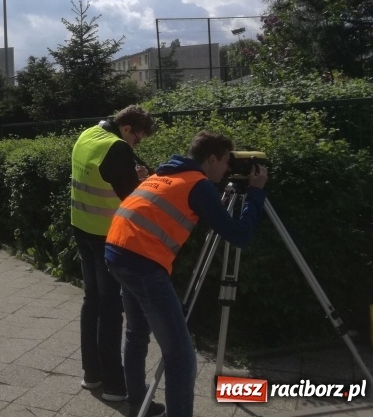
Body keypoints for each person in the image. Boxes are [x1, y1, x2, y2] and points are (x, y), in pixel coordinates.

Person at [105, 131, 268, 417]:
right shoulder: (198, 184)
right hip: (142, 263)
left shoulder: (166, 173)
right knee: (181, 357)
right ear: (212, 158)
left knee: (136, 332)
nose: (229, 169)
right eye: (227, 162)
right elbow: (239, 236)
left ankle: (136, 402)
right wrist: (255, 193)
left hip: (116, 251)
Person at [71, 105, 156, 404]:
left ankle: (91, 374)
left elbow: (101, 176)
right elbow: (135, 201)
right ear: (128, 129)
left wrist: (132, 176)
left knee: (91, 301)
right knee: (110, 310)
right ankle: (115, 386)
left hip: (81, 228)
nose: (136, 146)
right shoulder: (117, 148)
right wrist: (145, 181)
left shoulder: (88, 135)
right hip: (106, 236)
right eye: (138, 139)